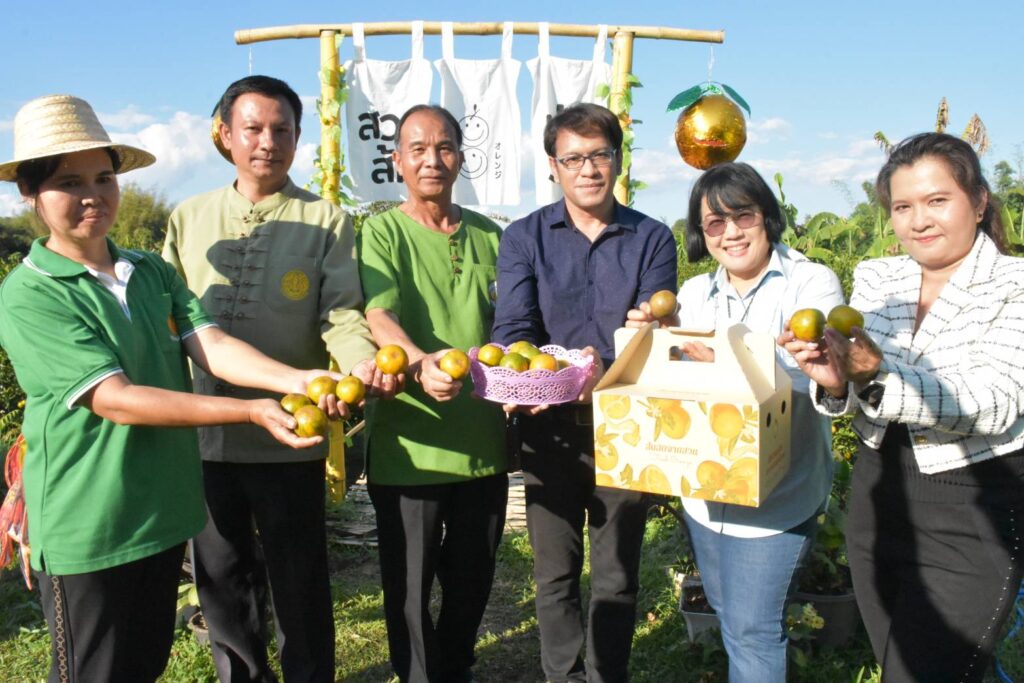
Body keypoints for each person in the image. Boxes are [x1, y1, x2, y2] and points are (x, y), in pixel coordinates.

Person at [0, 94, 339, 682]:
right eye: (69, 183)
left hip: (160, 514)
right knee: (94, 672)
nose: (93, 196)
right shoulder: (31, 293)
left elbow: (212, 343)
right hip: (90, 523)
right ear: (31, 193)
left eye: (104, 178)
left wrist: (298, 378)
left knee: (143, 665)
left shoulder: (149, 271)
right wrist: (250, 413)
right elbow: (116, 399)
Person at [163, 75, 391, 682]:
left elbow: (341, 313)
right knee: (221, 579)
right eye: (254, 128)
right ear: (224, 134)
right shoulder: (188, 217)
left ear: (298, 136)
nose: (268, 141)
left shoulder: (326, 219)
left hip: (293, 433)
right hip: (206, 434)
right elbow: (166, 325)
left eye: (282, 130)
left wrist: (357, 364)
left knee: (300, 579)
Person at [781, 132, 1024, 682]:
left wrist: (877, 376)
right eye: (903, 207)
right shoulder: (879, 278)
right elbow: (862, 391)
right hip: (879, 492)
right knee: (898, 659)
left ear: (979, 202)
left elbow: (994, 402)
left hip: (973, 502)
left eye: (938, 201)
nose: (919, 221)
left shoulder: (1014, 284)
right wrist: (836, 382)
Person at [626, 162, 844, 681]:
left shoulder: (810, 283)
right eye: (714, 223)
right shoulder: (693, 295)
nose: (731, 233)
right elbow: (680, 389)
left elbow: (808, 381)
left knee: (753, 631)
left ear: (766, 216)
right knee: (729, 614)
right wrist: (655, 343)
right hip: (707, 494)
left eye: (742, 215)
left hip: (779, 495)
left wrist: (721, 360)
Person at [492, 102, 677, 683]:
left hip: (624, 424)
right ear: (553, 166)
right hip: (547, 426)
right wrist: (533, 375)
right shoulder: (524, 237)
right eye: (573, 158)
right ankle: (563, 676)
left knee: (617, 574)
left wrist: (612, 365)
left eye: (599, 155)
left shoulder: (652, 237)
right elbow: (514, 328)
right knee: (555, 571)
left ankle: (607, 675)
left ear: (618, 160)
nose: (588, 169)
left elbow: (651, 336)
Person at [357, 104, 508, 683]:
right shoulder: (382, 232)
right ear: (397, 160)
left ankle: (455, 664)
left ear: (461, 159)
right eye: (417, 149)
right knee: (409, 584)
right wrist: (419, 365)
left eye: (443, 148)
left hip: (482, 442)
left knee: (473, 575)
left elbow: (513, 323)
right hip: (410, 444)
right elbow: (380, 314)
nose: (431, 160)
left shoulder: (491, 235)